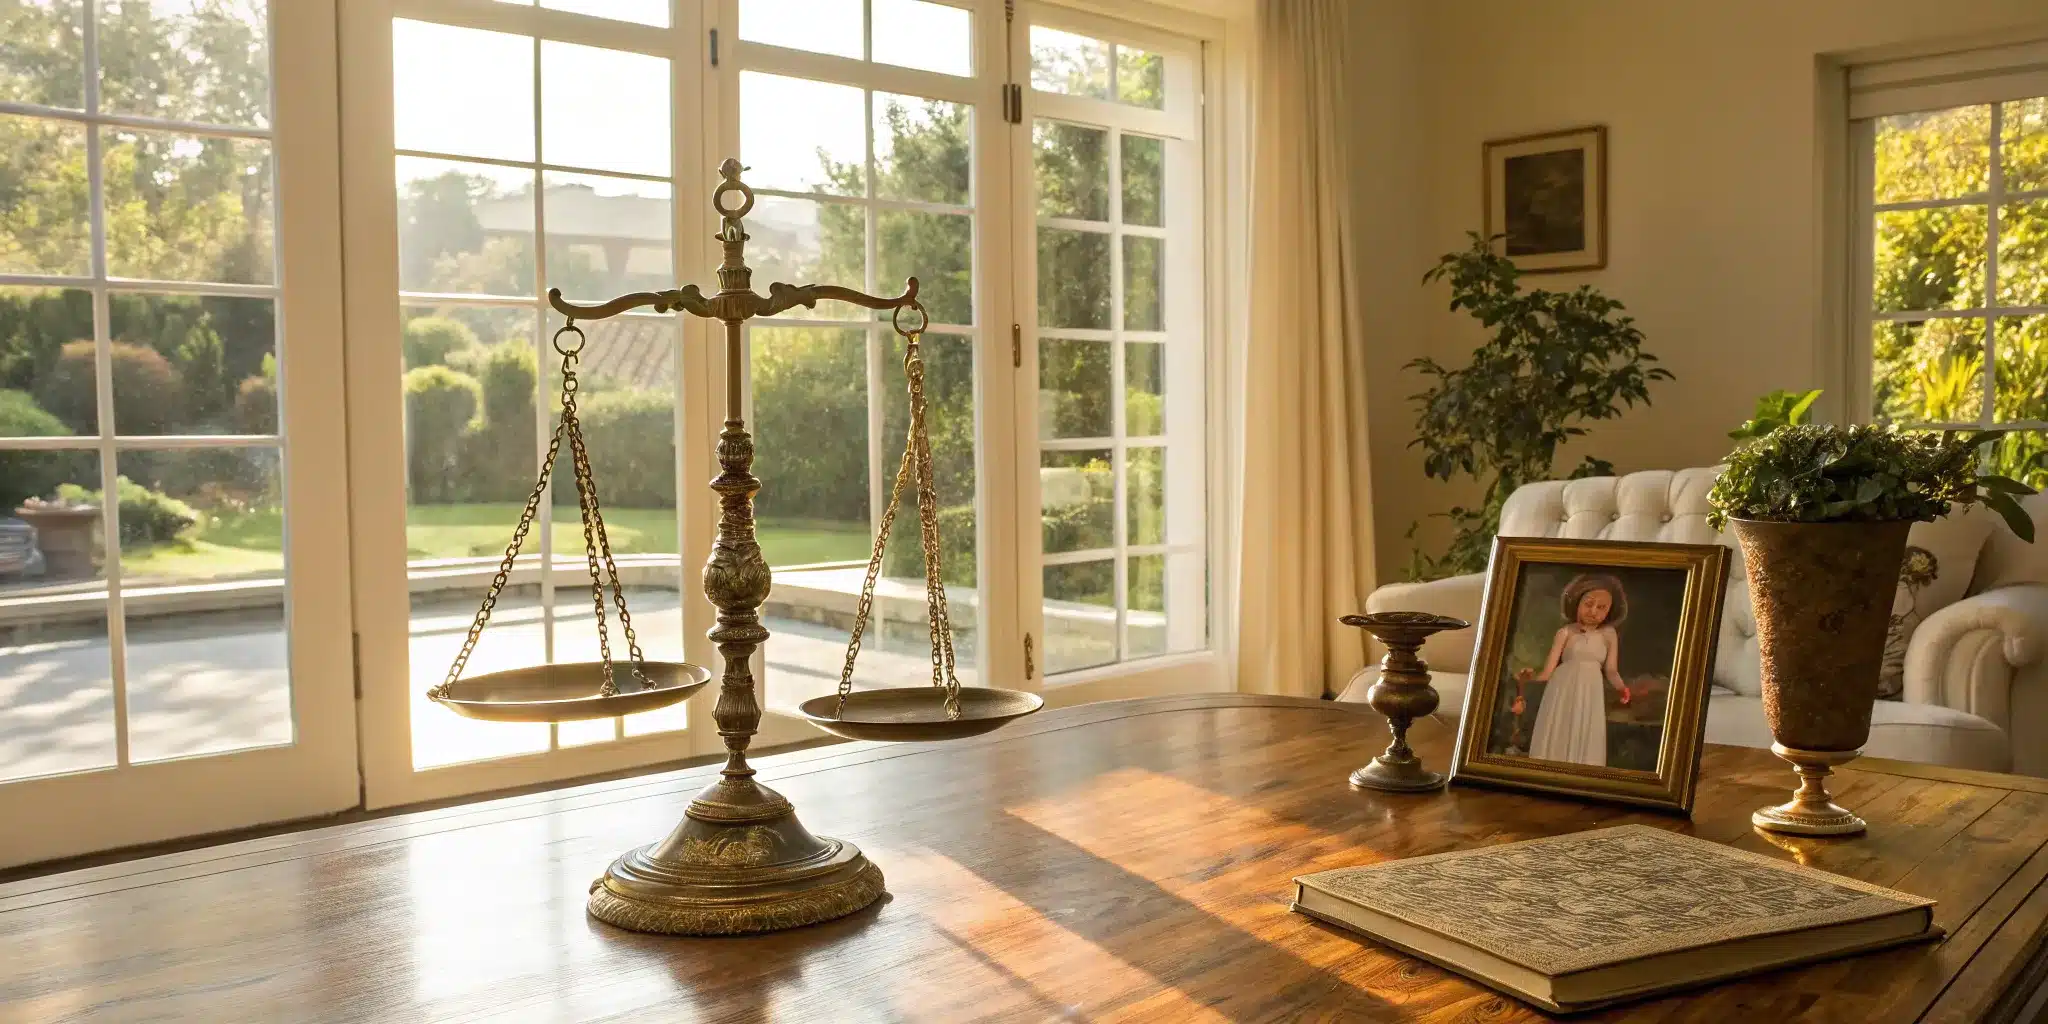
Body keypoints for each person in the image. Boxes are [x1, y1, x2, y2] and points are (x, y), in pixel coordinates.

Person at [1509, 573, 1631, 766]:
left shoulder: (1608, 635)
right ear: (1577, 602)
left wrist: (1622, 687)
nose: (1593, 611)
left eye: (1601, 607)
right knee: (1560, 727)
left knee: (1585, 729)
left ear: (1610, 611)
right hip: (1562, 688)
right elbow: (1549, 670)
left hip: (1590, 689)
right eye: (1588, 604)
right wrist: (1528, 679)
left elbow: (1611, 670)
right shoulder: (1565, 632)